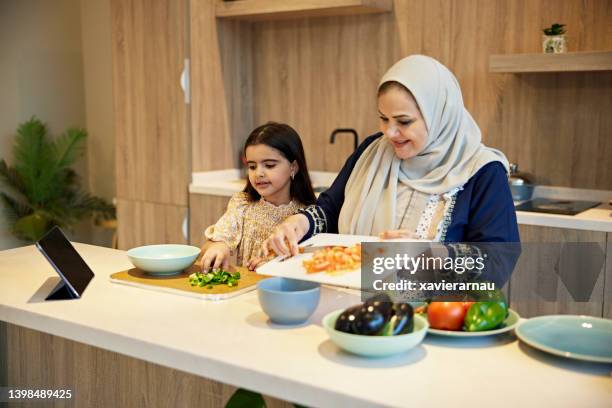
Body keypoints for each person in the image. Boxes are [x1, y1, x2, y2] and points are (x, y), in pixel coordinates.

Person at [263, 55, 519, 278]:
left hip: (437, 318)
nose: (390, 132)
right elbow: (330, 209)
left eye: (404, 121)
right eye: (383, 118)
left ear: (440, 114)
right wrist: (300, 223)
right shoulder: (372, 151)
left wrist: (433, 253)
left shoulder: (483, 171)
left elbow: (499, 260)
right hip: (356, 305)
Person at [201, 122, 316, 271]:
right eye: (252, 166)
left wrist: (273, 268)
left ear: (293, 167)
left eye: (269, 165)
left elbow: (310, 266)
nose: (258, 174)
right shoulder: (242, 204)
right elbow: (208, 247)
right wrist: (218, 246)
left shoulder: (308, 217)